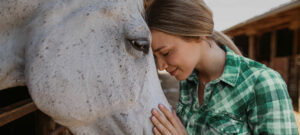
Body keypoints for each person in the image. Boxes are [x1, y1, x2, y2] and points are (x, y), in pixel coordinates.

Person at [146, 0, 299, 134]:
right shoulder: (188, 82)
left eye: (165, 52)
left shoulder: (262, 83)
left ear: (197, 34)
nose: (161, 66)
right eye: (155, 56)